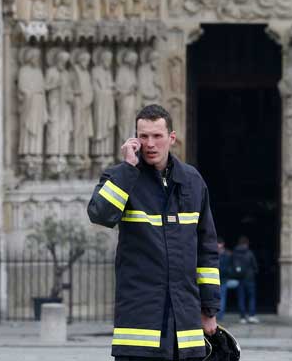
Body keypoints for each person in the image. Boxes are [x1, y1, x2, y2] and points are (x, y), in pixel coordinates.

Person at [88, 104, 220, 360]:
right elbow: (100, 215)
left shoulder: (193, 182)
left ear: (171, 137)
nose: (150, 143)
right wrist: (127, 169)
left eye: (157, 136)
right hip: (138, 328)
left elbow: (207, 251)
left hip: (186, 326)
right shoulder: (120, 176)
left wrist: (210, 309)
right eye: (143, 136)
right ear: (134, 139)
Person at [231, 236, 259, 324]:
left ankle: (242, 317)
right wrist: (254, 272)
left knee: (241, 298)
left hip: (239, 278)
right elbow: (254, 265)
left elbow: (231, 264)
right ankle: (251, 316)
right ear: (247, 243)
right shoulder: (249, 253)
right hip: (250, 279)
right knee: (251, 297)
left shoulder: (235, 253)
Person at [217, 237, 238, 322]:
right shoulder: (217, 253)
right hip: (216, 278)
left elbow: (231, 266)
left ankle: (220, 315)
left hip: (223, 278)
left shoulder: (228, 254)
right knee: (218, 298)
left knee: (222, 297)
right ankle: (217, 314)